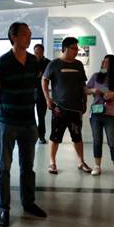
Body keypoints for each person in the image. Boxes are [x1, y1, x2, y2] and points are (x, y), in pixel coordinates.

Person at [0, 22, 47, 227]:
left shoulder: (33, 61)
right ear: (13, 37)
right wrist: (2, 110)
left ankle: (28, 202)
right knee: (4, 167)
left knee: (28, 166)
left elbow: (35, 85)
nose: (29, 37)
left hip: (29, 122)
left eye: (30, 34)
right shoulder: (2, 63)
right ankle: (3, 208)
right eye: (25, 34)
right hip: (7, 122)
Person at [41, 37, 92, 175]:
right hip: (59, 108)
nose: (76, 51)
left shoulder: (78, 65)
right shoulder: (54, 64)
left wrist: (85, 102)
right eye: (73, 48)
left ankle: (81, 162)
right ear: (65, 49)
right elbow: (44, 80)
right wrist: (47, 99)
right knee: (55, 136)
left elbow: (83, 84)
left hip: (76, 108)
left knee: (77, 136)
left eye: (77, 48)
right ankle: (52, 163)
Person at [85, 55, 114, 177]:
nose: (103, 63)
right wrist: (93, 91)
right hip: (96, 113)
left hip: (110, 115)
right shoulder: (96, 76)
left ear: (112, 65)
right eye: (103, 61)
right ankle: (97, 166)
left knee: (112, 141)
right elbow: (85, 90)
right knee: (97, 140)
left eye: (106, 62)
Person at [33, 44, 50, 144]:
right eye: (36, 53)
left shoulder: (48, 63)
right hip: (30, 93)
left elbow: (49, 76)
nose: (38, 55)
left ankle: (41, 136)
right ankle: (32, 135)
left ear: (43, 52)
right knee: (30, 116)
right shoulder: (30, 61)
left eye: (39, 52)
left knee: (41, 116)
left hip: (42, 93)